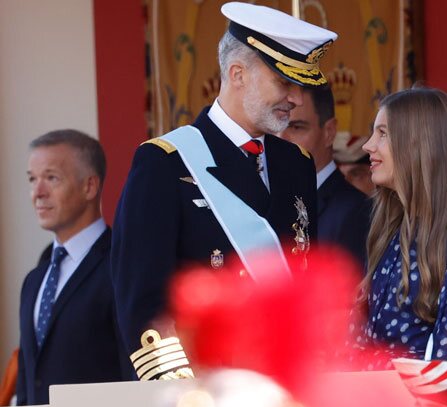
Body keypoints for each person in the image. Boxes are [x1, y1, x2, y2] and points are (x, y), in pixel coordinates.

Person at [112, 3, 337, 355]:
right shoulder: (164, 163)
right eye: (283, 82)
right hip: (209, 388)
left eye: (298, 85)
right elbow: (143, 303)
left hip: (285, 385)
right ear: (237, 74)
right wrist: (187, 398)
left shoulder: (297, 164)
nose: (295, 99)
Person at [352, 87, 447, 365]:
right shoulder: (391, 229)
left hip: (418, 406)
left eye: (383, 133)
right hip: (367, 399)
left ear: (418, 144)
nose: (368, 146)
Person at [18, 130, 129, 405]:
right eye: (33, 179)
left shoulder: (121, 266)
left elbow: (133, 373)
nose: (38, 193)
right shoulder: (35, 279)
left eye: (51, 178)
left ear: (90, 186)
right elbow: (27, 381)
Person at [280, 86, 370, 267]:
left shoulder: (358, 211)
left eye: (296, 127)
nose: (281, 137)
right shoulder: (268, 202)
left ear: (329, 132)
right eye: (276, 125)